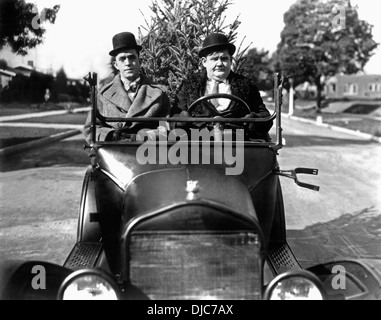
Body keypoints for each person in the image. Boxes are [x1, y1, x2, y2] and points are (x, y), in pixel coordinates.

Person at [172, 33, 273, 140]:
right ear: (204, 62)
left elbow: (265, 116)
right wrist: (182, 120)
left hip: (237, 144)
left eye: (224, 58)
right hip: (199, 144)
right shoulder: (189, 85)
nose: (219, 63)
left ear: (230, 61)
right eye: (214, 59)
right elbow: (174, 116)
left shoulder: (246, 85)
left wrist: (253, 119)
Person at [83, 32, 170, 143]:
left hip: (147, 152)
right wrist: (111, 135)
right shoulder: (103, 95)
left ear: (140, 61)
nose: (128, 63)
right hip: (115, 152)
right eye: (122, 59)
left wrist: (145, 135)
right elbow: (90, 129)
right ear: (116, 65)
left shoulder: (158, 93)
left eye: (132, 57)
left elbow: (166, 127)